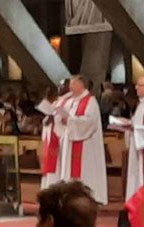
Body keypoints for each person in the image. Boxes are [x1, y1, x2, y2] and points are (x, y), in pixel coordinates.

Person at [56, 75, 107, 205]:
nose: (70, 87)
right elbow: (63, 117)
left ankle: (88, 196)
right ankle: (70, 195)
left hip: (86, 145)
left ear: (81, 85)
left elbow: (90, 122)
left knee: (85, 170)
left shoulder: (90, 101)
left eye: (73, 84)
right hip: (71, 140)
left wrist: (70, 121)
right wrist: (61, 118)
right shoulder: (72, 101)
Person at [36, 80, 71, 190]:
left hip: (59, 138)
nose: (60, 88)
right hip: (50, 136)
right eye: (59, 86)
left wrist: (54, 118)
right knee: (48, 164)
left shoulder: (70, 101)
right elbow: (50, 117)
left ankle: (55, 187)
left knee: (57, 165)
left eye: (63, 86)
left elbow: (67, 119)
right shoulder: (58, 102)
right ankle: (47, 187)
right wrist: (48, 118)